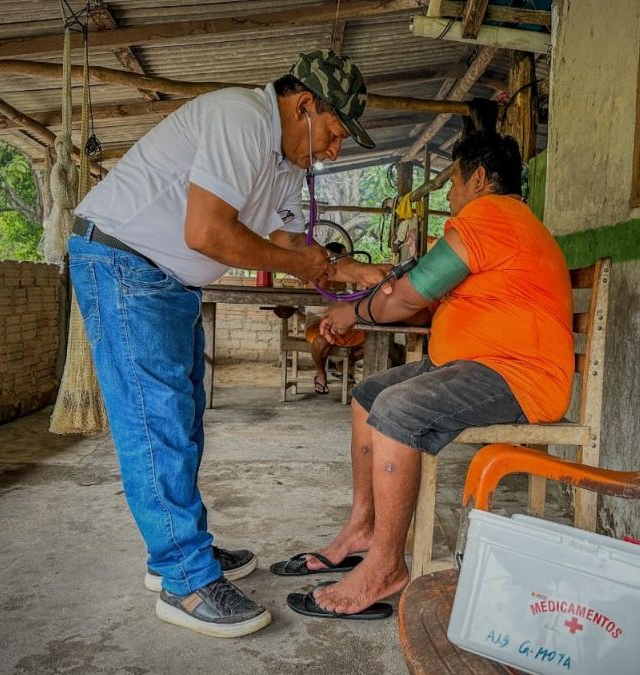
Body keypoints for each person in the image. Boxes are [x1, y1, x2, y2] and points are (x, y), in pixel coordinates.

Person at [67, 49, 387, 638]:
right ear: (305, 105)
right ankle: (184, 581)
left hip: (167, 280)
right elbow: (208, 232)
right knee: (154, 422)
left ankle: (181, 549)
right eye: (336, 134)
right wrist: (301, 263)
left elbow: (295, 247)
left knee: (182, 421)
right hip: (123, 263)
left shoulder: (288, 164)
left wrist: (352, 272)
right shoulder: (242, 119)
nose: (335, 151)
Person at [273, 132, 575, 619]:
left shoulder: (490, 215)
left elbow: (411, 297)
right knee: (371, 394)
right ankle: (363, 527)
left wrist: (353, 311)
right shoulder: (505, 225)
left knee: (398, 407)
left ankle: (386, 566)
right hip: (473, 365)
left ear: (478, 179)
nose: (450, 196)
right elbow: (422, 295)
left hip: (516, 377)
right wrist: (374, 298)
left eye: (453, 182)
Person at [305, 242, 365, 394]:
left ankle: (346, 362)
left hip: (340, 323)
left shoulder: (346, 275)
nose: (348, 259)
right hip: (318, 323)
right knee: (321, 340)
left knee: (372, 338)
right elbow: (321, 289)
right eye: (344, 256)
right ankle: (320, 373)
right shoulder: (318, 272)